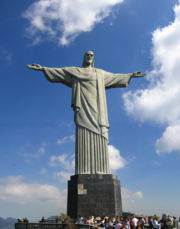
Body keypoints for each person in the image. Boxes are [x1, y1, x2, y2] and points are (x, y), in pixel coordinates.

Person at [28, 50, 144, 174]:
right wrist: (43, 69)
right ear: (84, 57)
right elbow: (60, 72)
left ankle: (102, 170)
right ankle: (84, 170)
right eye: (87, 55)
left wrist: (130, 75)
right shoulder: (76, 71)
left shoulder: (100, 73)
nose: (89, 56)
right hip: (83, 108)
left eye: (92, 55)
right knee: (83, 133)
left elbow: (115, 77)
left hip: (98, 110)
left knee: (100, 133)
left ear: (93, 58)